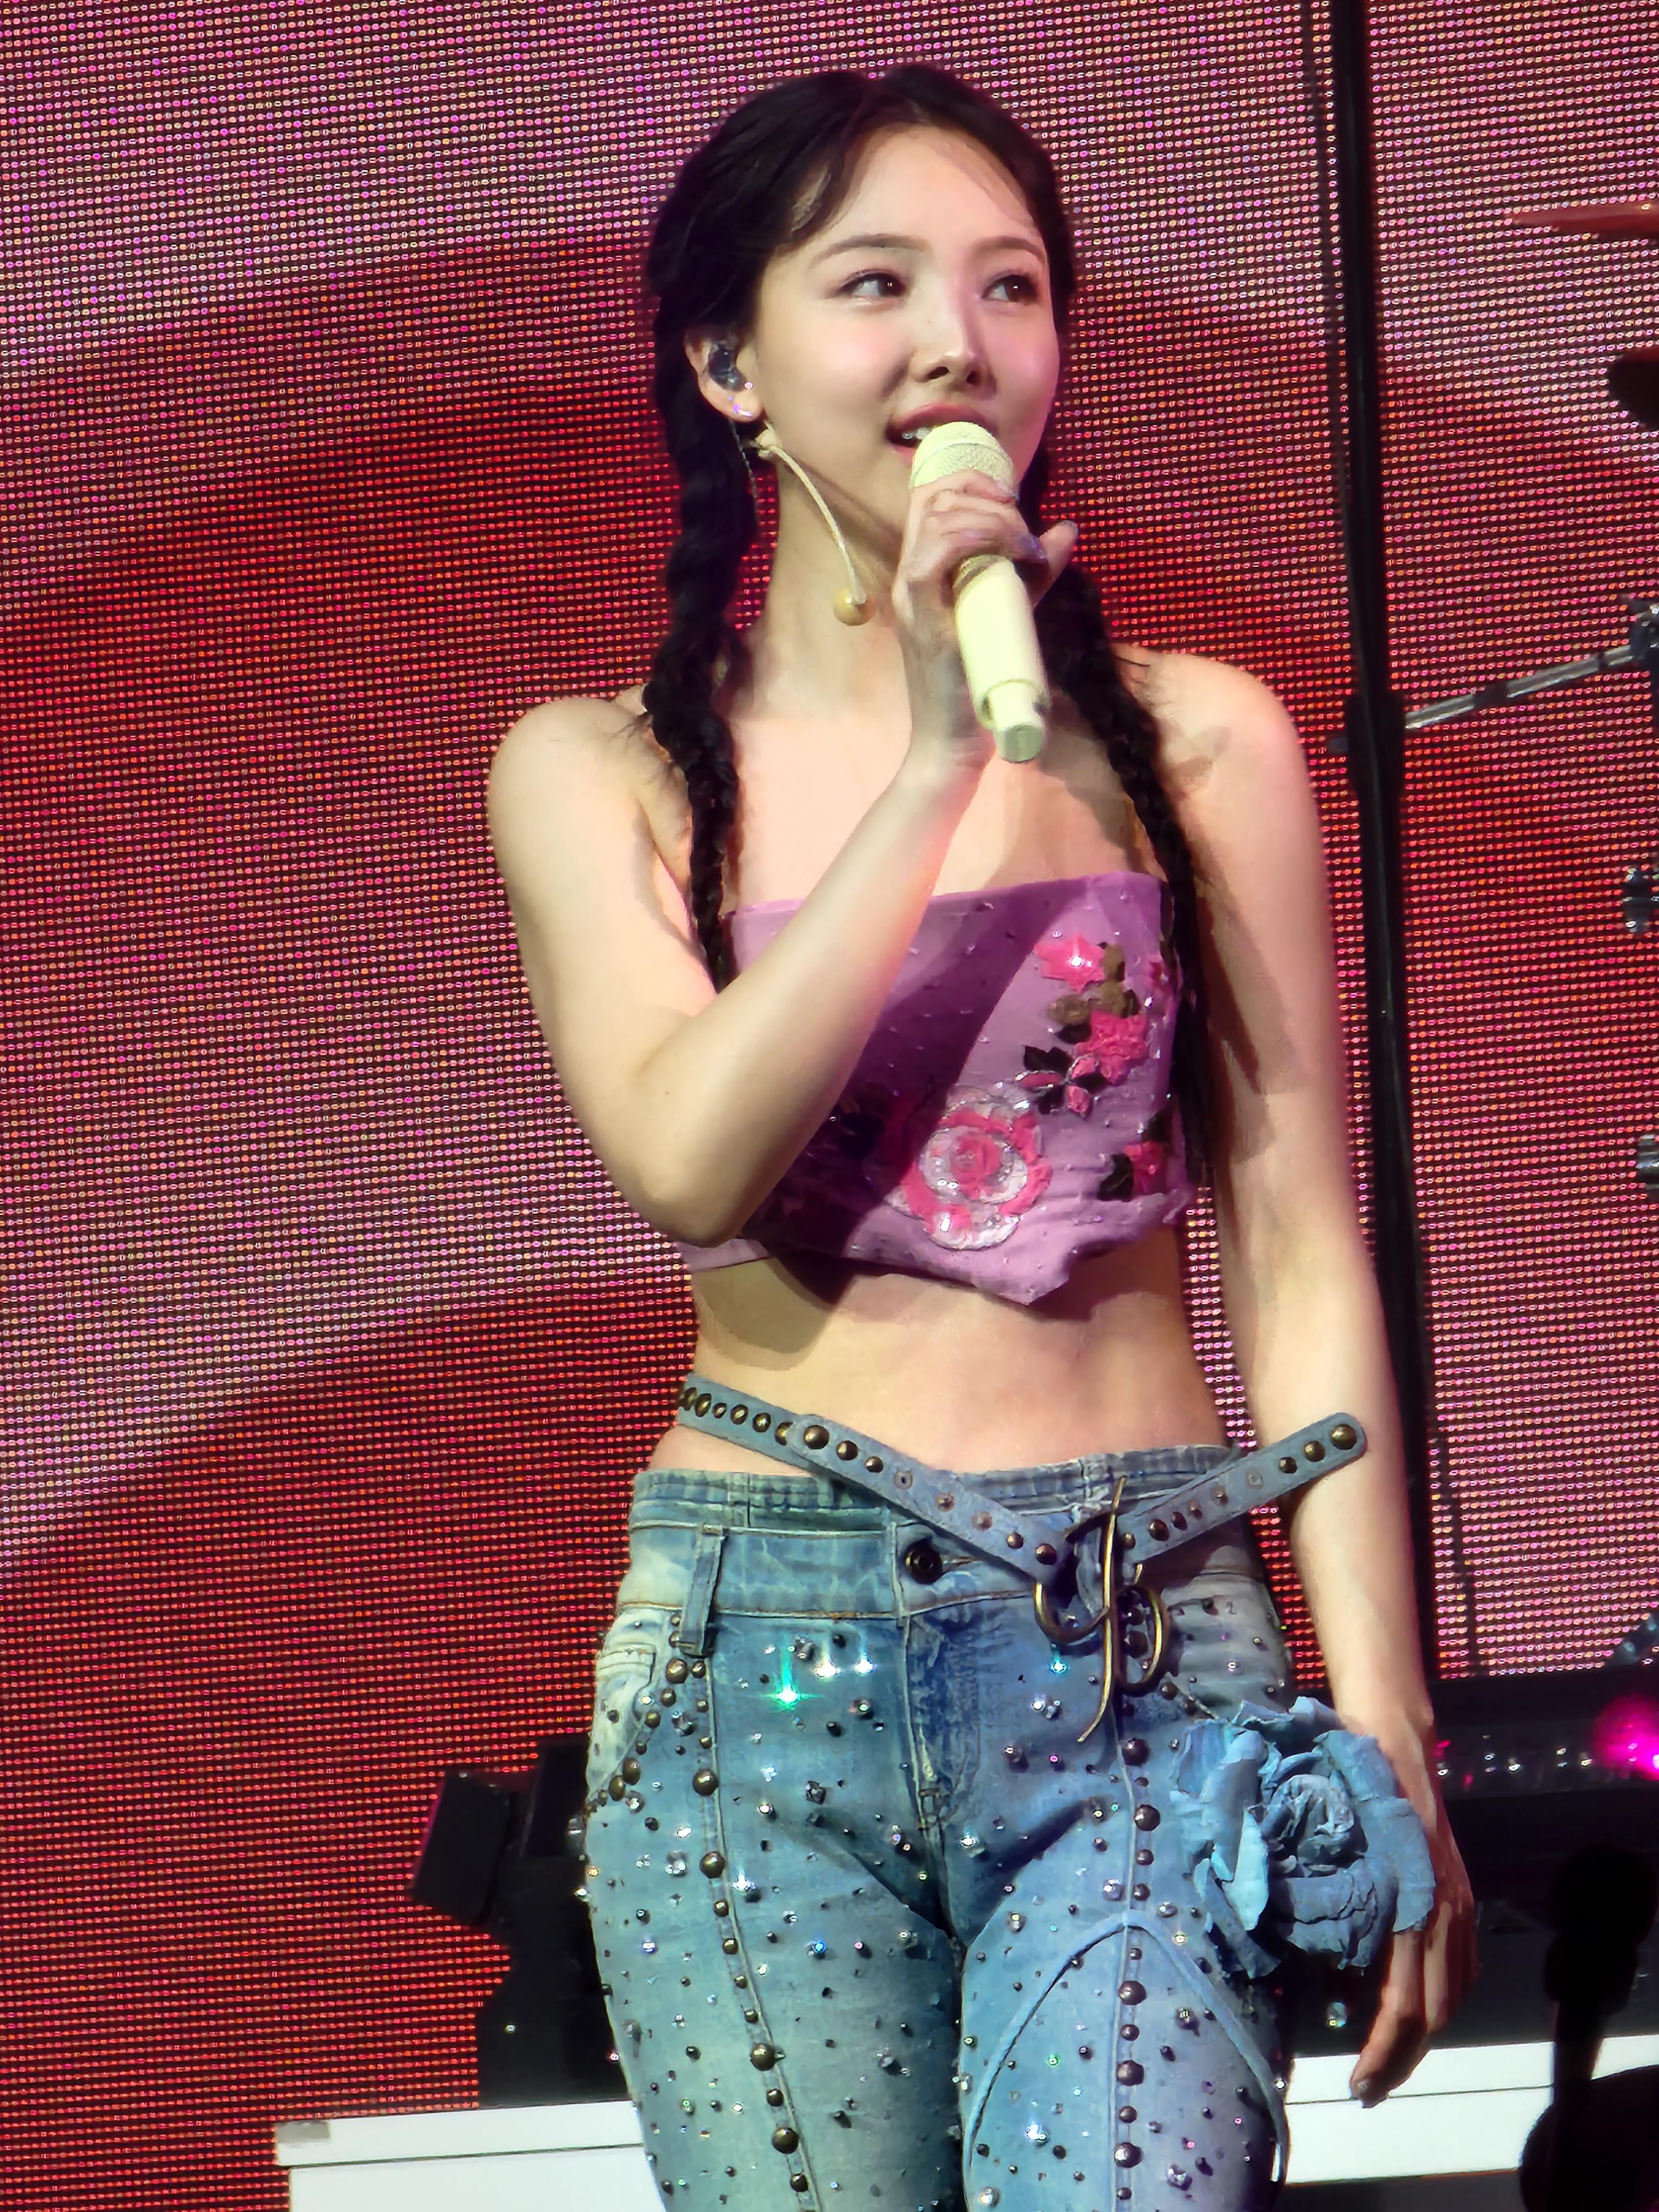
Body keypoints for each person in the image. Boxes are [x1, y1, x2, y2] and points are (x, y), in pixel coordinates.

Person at [487, 63, 1477, 2211]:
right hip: (766, 1658)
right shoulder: (603, 774)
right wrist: (938, 761)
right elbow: (685, 1155)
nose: (958, 344)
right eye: (878, 287)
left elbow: (1299, 1247)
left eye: (1010, 287)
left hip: (1143, 1643)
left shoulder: (1198, 745)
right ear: (732, 365)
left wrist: (1385, 1701)